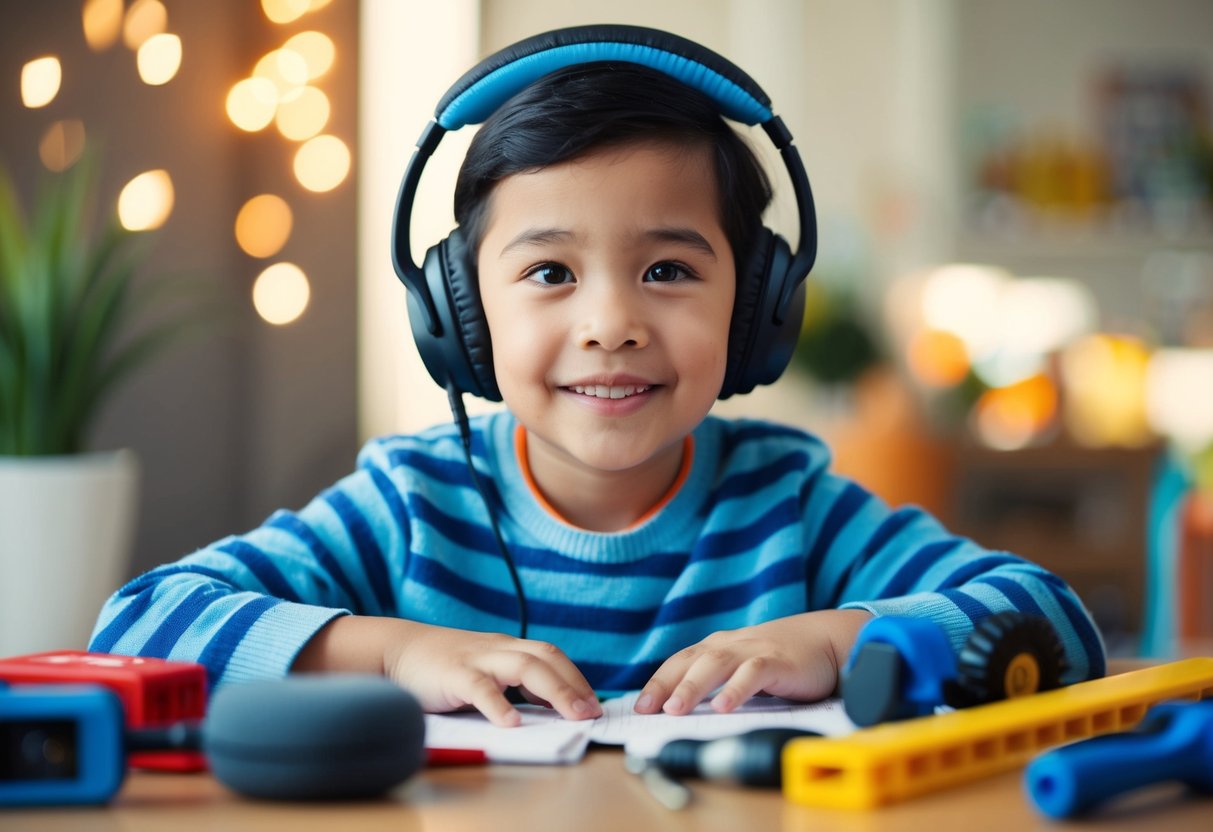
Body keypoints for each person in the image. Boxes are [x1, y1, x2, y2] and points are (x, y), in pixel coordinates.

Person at [91, 30, 1105, 729]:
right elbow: (138, 623)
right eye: (549, 273)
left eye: (668, 269)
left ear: (756, 304)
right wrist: (396, 654)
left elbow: (1050, 617)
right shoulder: (410, 503)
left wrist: (840, 637)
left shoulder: (791, 507)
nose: (612, 323)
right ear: (460, 314)